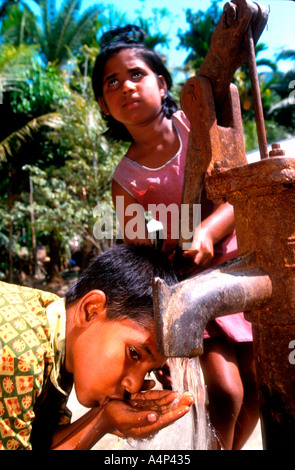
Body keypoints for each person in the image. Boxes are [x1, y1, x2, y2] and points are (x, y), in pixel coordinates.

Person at [92, 25, 259, 450]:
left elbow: (243, 193)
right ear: (104, 106)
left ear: (161, 83)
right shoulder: (124, 182)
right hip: (192, 287)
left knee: (260, 387)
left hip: (247, 268)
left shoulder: (198, 127)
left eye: (135, 74)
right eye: (111, 82)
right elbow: (142, 247)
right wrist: (165, 241)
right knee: (227, 391)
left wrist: (206, 230)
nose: (126, 86)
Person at [0, 243, 194, 450]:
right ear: (90, 310)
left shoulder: (56, 330)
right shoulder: (18, 356)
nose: (134, 386)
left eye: (149, 372)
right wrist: (101, 422)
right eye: (134, 354)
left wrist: (104, 418)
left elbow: (39, 442)